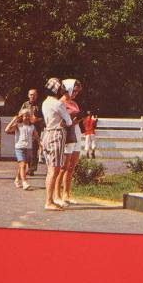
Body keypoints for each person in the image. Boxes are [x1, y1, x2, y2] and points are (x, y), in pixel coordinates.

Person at [40, 78, 72, 211]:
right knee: (55, 170)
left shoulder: (45, 102)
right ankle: (48, 201)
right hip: (56, 135)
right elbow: (69, 121)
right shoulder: (58, 104)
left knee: (50, 170)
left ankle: (50, 199)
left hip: (47, 134)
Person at [56, 78, 84, 206]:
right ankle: (57, 195)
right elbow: (62, 120)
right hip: (67, 133)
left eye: (77, 92)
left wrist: (80, 118)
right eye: (74, 90)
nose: (75, 93)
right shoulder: (60, 102)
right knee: (63, 166)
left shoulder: (75, 103)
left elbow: (75, 120)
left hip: (76, 131)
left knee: (72, 166)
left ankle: (67, 194)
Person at [5, 112, 34, 190]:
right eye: (25, 116)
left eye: (28, 116)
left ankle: (17, 179)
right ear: (22, 117)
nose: (27, 117)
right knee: (23, 165)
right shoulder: (18, 125)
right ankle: (24, 182)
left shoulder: (32, 126)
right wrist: (13, 120)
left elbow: (36, 135)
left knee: (22, 165)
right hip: (19, 147)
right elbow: (6, 130)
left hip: (28, 148)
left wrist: (40, 143)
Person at [19, 89, 43, 176]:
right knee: (27, 148)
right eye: (31, 95)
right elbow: (20, 115)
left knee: (33, 148)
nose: (32, 96)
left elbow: (43, 117)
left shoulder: (40, 105)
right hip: (26, 128)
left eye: (34, 95)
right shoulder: (25, 104)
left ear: (37, 96)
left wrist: (37, 119)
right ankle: (29, 166)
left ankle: (32, 168)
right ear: (28, 95)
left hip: (36, 128)